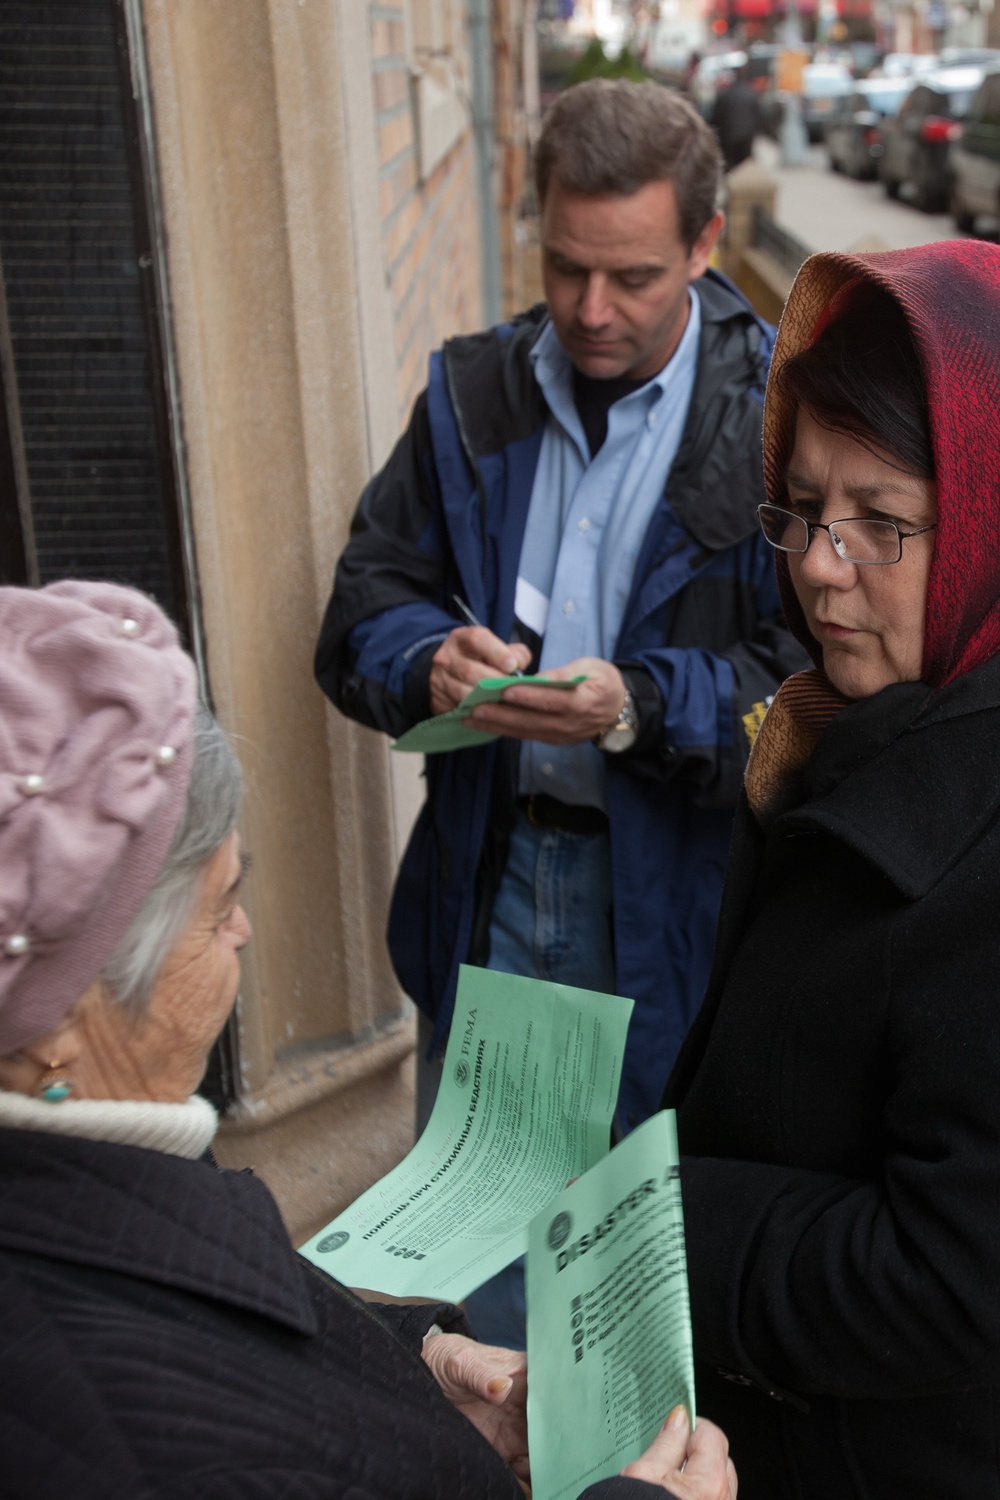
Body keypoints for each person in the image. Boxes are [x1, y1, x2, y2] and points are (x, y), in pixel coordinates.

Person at [0, 579, 737, 1500]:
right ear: (64, 1014)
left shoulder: (91, 1176)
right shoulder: (105, 1417)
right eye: (221, 906)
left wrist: (412, 1363)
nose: (244, 933)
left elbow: (240, 1339)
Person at [316, 77, 806, 1151]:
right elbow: (363, 605)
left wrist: (635, 703)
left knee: (631, 1254)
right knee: (471, 1230)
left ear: (704, 243)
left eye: (630, 277)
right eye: (565, 267)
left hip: (677, 901)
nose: (591, 310)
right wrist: (423, 663)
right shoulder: (467, 392)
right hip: (486, 872)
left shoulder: (783, 422)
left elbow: (820, 696)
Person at [666, 240, 1000, 1498]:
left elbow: (953, 1274)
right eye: (802, 509)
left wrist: (667, 1227)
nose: (817, 563)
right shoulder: (839, 724)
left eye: (882, 523)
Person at [710, 69, 762, 173]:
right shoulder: (751, 94)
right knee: (745, 163)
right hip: (747, 135)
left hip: (729, 136)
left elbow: (716, 117)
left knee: (730, 163)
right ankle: (745, 184)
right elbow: (758, 115)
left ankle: (732, 184)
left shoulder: (724, 95)